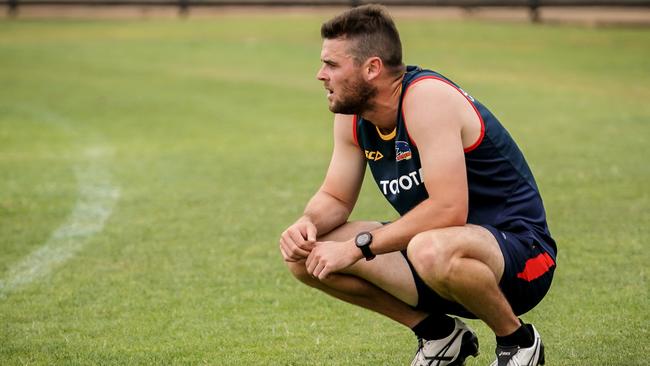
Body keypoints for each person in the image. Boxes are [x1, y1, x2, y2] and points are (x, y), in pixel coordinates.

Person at [279, 5, 556, 366]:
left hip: (522, 256)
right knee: (307, 255)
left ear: (372, 68)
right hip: (438, 251)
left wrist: (358, 248)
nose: (321, 75)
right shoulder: (354, 117)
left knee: (429, 247)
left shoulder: (426, 98)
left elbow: (448, 209)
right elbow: (334, 196)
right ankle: (440, 336)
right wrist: (308, 223)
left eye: (332, 64)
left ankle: (518, 342)